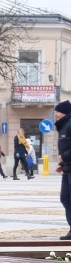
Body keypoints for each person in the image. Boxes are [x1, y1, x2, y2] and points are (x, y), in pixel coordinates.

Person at [55, 100, 71, 239]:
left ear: (64, 112)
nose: (55, 114)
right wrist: (61, 165)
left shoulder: (70, 124)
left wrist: (64, 157)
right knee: (65, 198)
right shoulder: (64, 126)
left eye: (57, 111)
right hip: (67, 168)